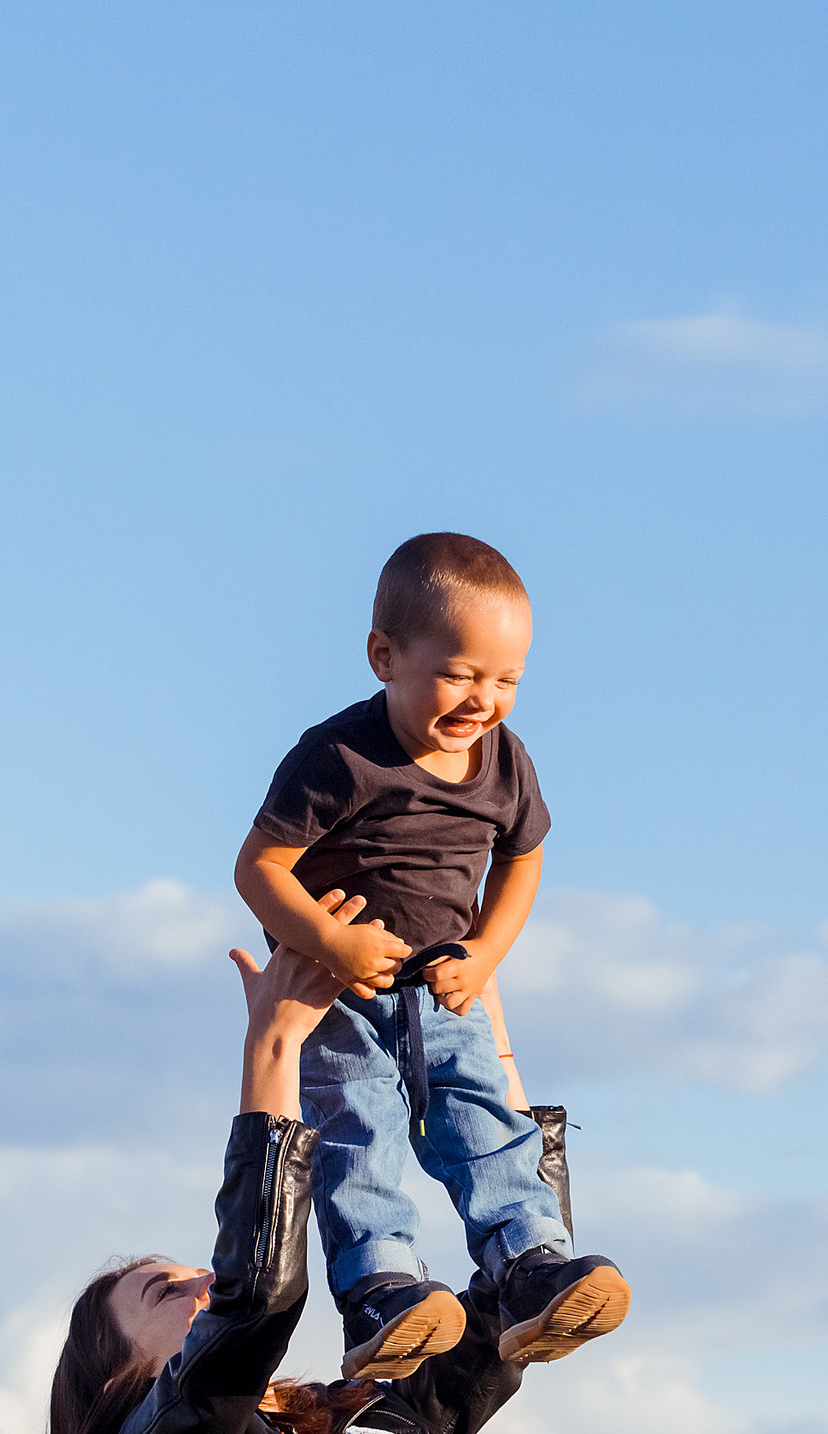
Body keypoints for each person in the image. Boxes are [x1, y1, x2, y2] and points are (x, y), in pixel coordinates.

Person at [0, 903, 670, 1434]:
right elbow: (255, 1296)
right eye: (164, 1289)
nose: (202, 1284)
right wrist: (277, 1043)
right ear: (117, 1375)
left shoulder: (372, 1426)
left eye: (193, 1272)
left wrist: (485, 1042)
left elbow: (513, 1322)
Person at [235, 531, 630, 1380]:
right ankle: (384, 1289)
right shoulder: (336, 757)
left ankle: (529, 1264)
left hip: (445, 986)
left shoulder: (504, 762)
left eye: (507, 680)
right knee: (359, 1130)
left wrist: (487, 950)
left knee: (484, 1117)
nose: (484, 699)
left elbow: (523, 857)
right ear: (385, 656)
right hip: (338, 989)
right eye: (460, 673)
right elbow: (257, 867)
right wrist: (328, 938)